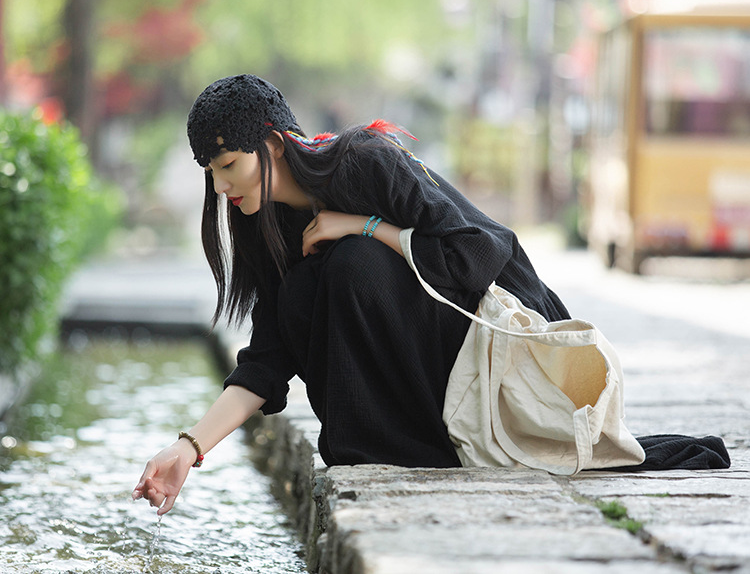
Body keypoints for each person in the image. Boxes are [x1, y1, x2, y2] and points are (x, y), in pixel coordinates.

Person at [132, 74, 729, 516]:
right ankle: (381, 444)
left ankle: (417, 440)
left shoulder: (364, 163)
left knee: (352, 264)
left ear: (274, 144)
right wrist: (188, 448)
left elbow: (479, 252)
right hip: (430, 374)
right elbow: (266, 361)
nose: (220, 185)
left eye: (229, 164)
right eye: (208, 171)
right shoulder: (270, 229)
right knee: (303, 292)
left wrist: (364, 227)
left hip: (495, 348)